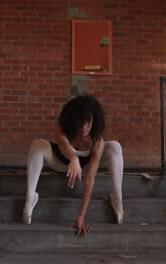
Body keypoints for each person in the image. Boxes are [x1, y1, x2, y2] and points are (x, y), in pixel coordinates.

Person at [22, 95, 124, 237]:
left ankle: (117, 197)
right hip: (59, 163)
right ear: (73, 120)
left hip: (84, 169)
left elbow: (89, 179)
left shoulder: (96, 141)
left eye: (88, 123)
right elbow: (62, 143)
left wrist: (81, 215)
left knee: (115, 146)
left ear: (94, 121)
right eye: (80, 123)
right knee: (38, 143)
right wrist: (74, 158)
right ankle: (30, 197)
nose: (84, 127)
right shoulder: (63, 127)